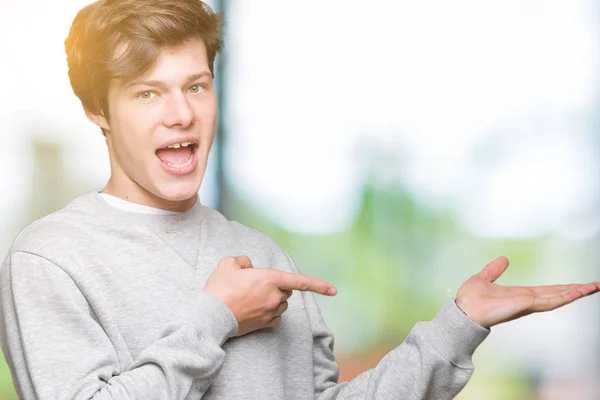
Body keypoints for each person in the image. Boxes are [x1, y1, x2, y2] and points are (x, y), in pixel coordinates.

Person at [0, 0, 598, 399]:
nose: (180, 114)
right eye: (147, 93)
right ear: (97, 110)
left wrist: (457, 328)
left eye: (196, 86)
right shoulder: (51, 259)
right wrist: (217, 317)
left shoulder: (259, 252)